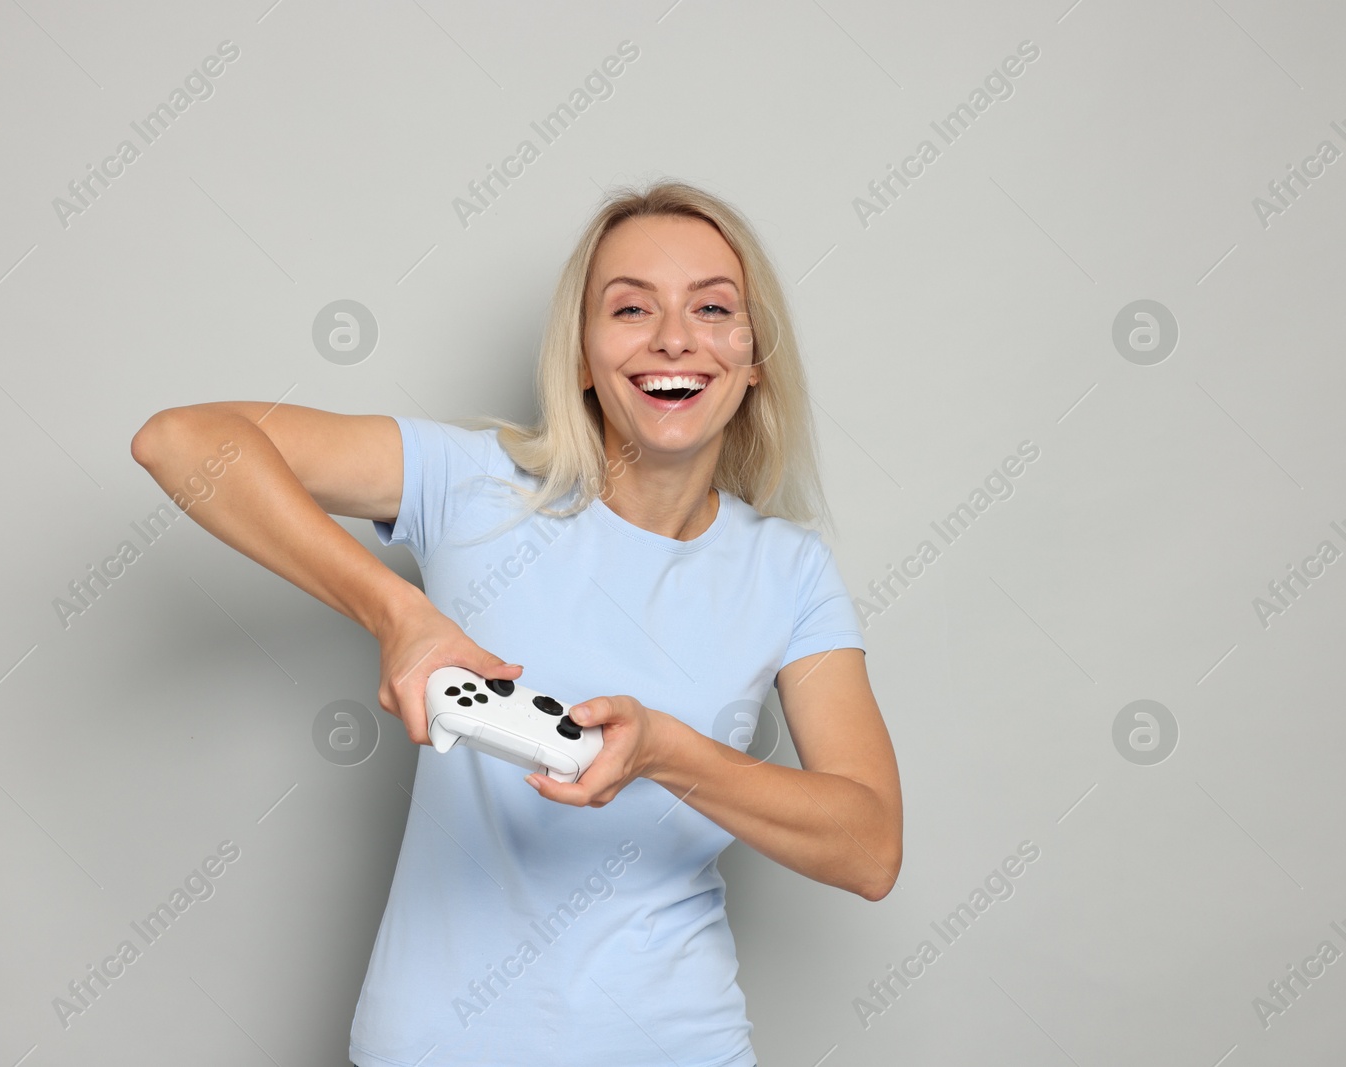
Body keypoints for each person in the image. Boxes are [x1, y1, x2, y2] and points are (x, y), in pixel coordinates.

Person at [130, 179, 902, 1067]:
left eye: (713, 308)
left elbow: (869, 845)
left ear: (754, 354)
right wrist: (397, 612)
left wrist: (665, 752)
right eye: (630, 308)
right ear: (581, 353)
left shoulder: (787, 568)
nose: (674, 339)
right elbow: (180, 442)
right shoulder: (474, 484)